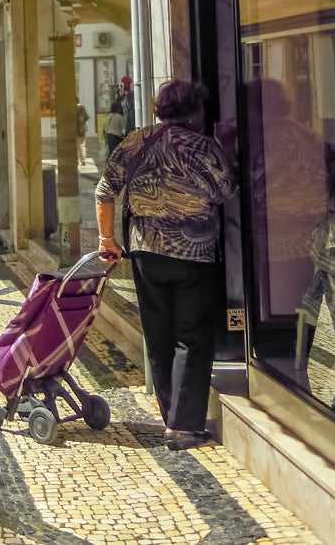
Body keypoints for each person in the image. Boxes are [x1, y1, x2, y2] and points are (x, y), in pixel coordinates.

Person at [95, 80, 235, 450]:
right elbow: (226, 192)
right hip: (194, 255)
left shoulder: (135, 141)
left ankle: (170, 415)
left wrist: (107, 240)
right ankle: (184, 426)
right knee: (191, 335)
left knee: (158, 335)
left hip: (145, 252)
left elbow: (104, 191)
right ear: (195, 110)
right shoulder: (205, 147)